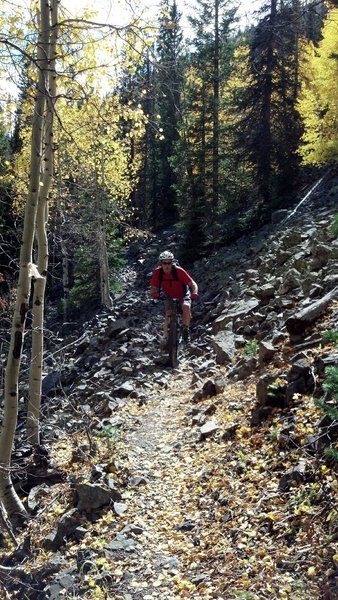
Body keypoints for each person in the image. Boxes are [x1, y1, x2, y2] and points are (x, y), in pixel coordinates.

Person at [150, 250, 198, 345]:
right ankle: (165, 337)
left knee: (186, 306)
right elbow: (154, 287)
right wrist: (154, 294)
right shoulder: (157, 273)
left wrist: (194, 292)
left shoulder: (179, 271)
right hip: (169, 295)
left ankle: (185, 330)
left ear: (172, 262)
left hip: (183, 294)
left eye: (169, 262)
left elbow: (192, 283)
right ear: (161, 263)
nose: (167, 265)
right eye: (164, 263)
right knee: (168, 313)